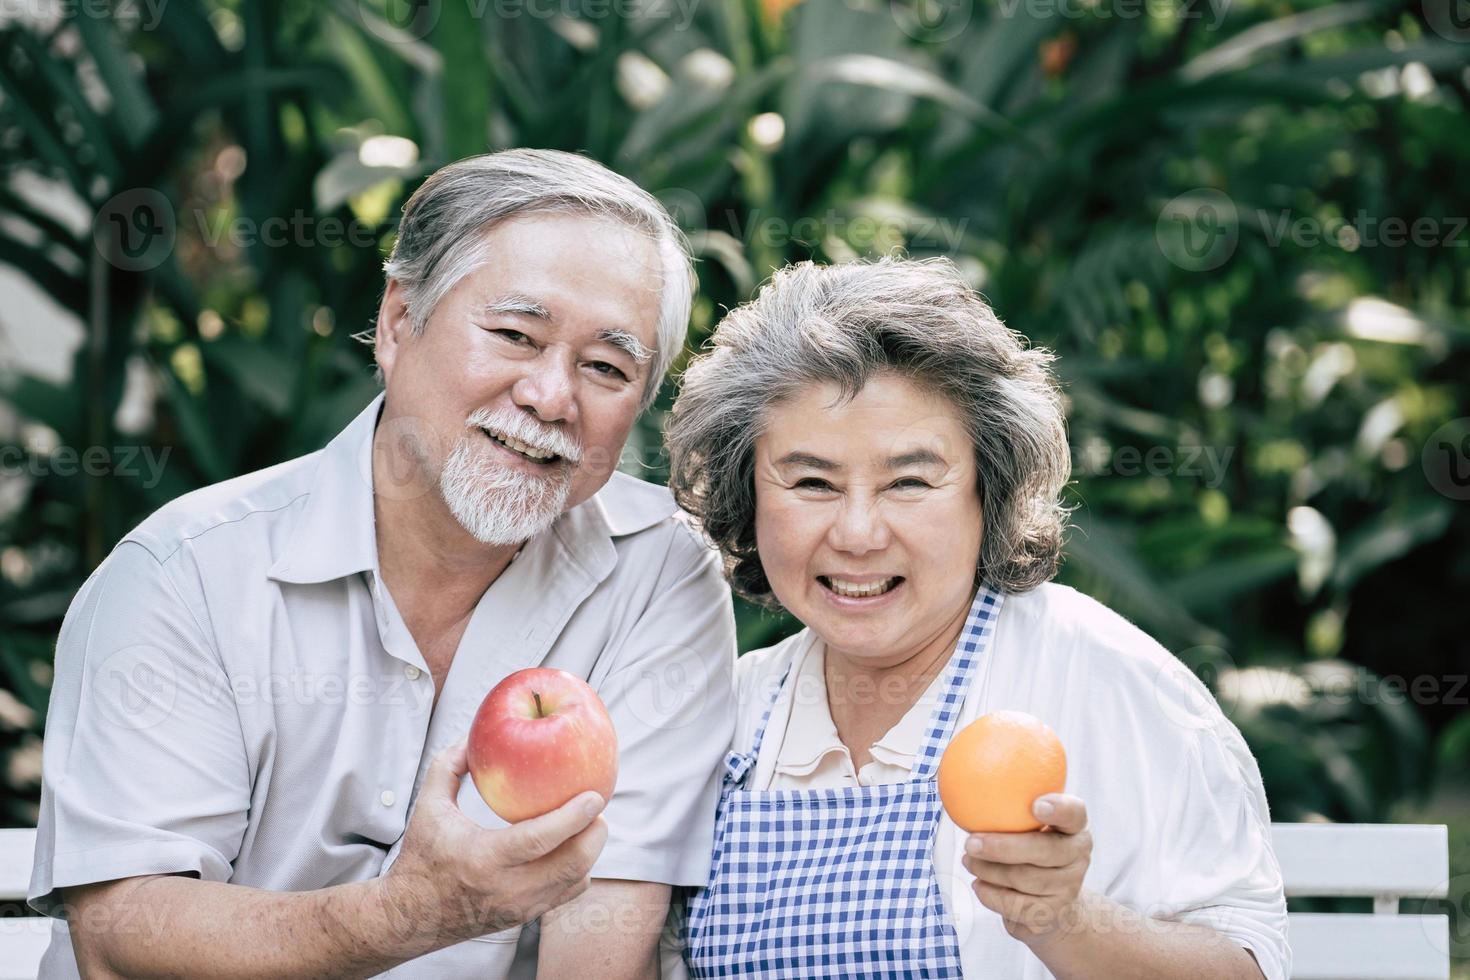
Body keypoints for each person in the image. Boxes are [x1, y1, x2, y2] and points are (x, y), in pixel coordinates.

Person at [28, 148, 736, 979]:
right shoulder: (185, 573)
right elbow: (124, 935)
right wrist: (412, 914)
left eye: (606, 368)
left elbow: (603, 940)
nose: (551, 396)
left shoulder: (658, 571)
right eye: (514, 334)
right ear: (401, 322)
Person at [664, 256, 1289, 979]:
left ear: (988, 491)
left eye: (909, 481)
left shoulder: (1111, 680)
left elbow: (1247, 968)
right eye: (811, 482)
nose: (858, 533)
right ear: (749, 497)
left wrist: (1066, 920)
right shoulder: (727, 713)